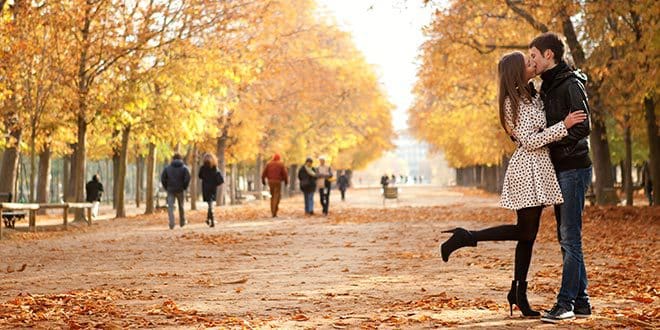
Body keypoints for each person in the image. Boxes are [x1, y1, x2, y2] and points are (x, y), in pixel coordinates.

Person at [439, 50, 587, 318]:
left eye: (532, 60)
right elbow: (529, 140)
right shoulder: (510, 103)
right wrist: (563, 126)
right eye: (527, 62)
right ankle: (468, 236)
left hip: (540, 169)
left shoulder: (533, 94)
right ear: (516, 72)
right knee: (524, 232)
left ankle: (518, 293)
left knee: (527, 236)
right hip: (525, 169)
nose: (532, 63)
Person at [529, 32, 593, 323]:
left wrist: (552, 141)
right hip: (560, 168)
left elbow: (584, 127)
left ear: (549, 55)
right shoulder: (548, 87)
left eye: (534, 56)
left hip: (575, 167)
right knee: (566, 237)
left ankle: (565, 303)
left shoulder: (570, 84)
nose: (531, 61)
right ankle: (581, 302)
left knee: (570, 237)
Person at [160, 153, 191, 229]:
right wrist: (184, 187)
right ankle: (182, 222)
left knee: (170, 207)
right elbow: (187, 178)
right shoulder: (184, 168)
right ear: (181, 159)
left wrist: (166, 187)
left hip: (170, 190)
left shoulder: (167, 168)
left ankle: (172, 223)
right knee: (181, 206)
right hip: (180, 190)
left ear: (173, 159)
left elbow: (163, 178)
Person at [198, 153, 224, 227]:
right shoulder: (215, 168)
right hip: (213, 188)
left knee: (210, 204)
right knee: (211, 203)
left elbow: (200, 176)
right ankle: (211, 218)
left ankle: (209, 219)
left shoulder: (202, 168)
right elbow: (220, 179)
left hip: (205, 188)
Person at [262, 153, 288, 217]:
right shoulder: (281, 164)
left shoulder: (269, 164)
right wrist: (286, 182)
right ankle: (274, 211)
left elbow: (263, 173)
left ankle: (273, 211)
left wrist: (263, 181)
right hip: (278, 182)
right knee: (277, 196)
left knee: (272, 196)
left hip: (270, 182)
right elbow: (285, 174)